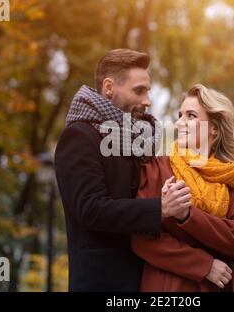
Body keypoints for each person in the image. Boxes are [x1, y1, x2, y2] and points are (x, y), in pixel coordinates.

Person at [54, 49, 191, 291]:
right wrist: (161, 208)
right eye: (139, 90)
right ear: (109, 88)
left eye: (148, 90)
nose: (148, 100)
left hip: (145, 279)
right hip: (103, 283)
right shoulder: (79, 136)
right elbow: (90, 208)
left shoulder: (136, 139)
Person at [131, 84, 234, 292]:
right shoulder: (158, 168)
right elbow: (141, 237)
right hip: (171, 288)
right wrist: (204, 265)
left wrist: (187, 215)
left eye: (191, 116)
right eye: (179, 115)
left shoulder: (230, 178)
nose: (180, 123)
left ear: (214, 129)